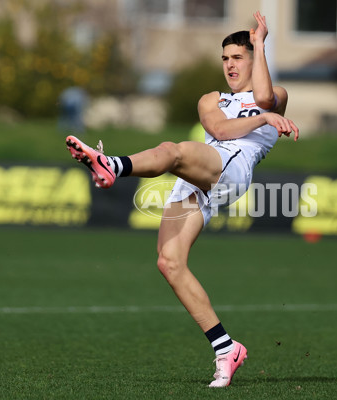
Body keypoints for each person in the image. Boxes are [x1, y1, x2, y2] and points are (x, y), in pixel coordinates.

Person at [65, 11, 299, 387]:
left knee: (172, 151)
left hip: (231, 170)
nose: (229, 65)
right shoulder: (211, 99)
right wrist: (263, 120)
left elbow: (266, 97)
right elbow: (220, 129)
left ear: (255, 58)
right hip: (199, 176)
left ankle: (111, 164)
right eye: (225, 58)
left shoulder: (275, 96)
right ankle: (226, 348)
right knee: (169, 263)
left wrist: (260, 47)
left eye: (238, 57)